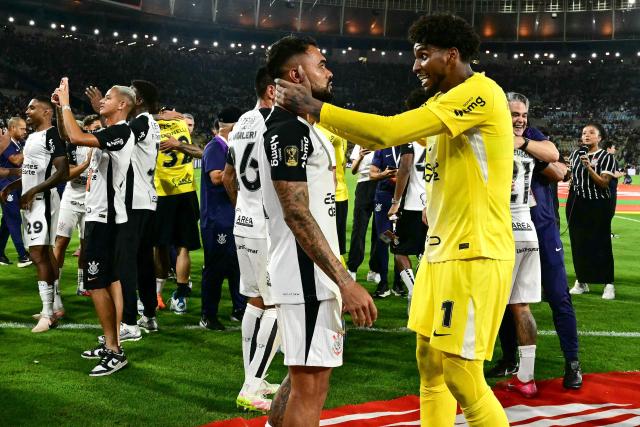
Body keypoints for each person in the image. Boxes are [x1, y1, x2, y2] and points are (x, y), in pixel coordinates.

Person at [275, 15, 514, 426]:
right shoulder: (443, 103)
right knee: (430, 365)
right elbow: (380, 139)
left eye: (424, 56)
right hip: (441, 254)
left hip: (475, 253)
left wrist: (316, 108)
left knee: (461, 372)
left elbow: (388, 132)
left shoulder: (480, 93)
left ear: (451, 55)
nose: (415, 66)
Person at [261, 35, 377, 427]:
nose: (329, 70)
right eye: (321, 63)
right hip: (306, 276)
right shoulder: (288, 130)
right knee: (311, 390)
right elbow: (296, 212)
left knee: (297, 383)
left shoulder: (294, 126)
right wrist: (344, 282)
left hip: (305, 273)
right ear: (296, 73)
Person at [55, 78, 134, 376]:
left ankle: (114, 351)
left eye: (109, 97)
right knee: (109, 279)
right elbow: (70, 134)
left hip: (106, 219)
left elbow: (75, 136)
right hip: (100, 216)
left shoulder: (121, 132)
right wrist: (60, 108)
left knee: (96, 282)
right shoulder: (108, 131)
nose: (104, 100)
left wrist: (66, 103)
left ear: (123, 104)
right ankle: (112, 344)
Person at [223, 66, 281, 412]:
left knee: (255, 299)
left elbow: (229, 176)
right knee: (275, 304)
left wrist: (241, 208)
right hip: (266, 226)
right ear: (272, 91)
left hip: (243, 222)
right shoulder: (276, 123)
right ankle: (252, 386)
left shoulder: (242, 122)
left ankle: (253, 377)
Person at [1, 97, 69, 333]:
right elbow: (34, 171)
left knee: (38, 254)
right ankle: (54, 305)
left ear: (46, 111)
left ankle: (48, 314)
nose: (26, 111)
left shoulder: (52, 136)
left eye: (32, 107)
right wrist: (15, 186)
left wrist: (33, 191)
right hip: (32, 201)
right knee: (44, 253)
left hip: (44, 201)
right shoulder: (32, 137)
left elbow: (62, 171)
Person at [116, 79, 161, 340]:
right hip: (147, 200)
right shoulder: (151, 124)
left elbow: (119, 141)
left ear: (139, 100)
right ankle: (150, 316)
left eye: (131, 94)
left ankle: (130, 323)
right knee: (144, 260)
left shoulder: (140, 123)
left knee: (126, 260)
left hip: (134, 201)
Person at [199, 106, 246, 327]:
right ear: (234, 127)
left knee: (237, 267)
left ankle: (240, 308)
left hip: (231, 218)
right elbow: (217, 177)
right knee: (215, 269)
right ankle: (208, 315)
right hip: (217, 219)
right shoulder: (215, 147)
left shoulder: (228, 147)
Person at [154, 109, 203, 313]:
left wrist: (156, 117)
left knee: (159, 246)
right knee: (183, 247)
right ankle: (180, 297)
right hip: (186, 191)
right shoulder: (183, 128)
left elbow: (132, 118)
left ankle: (156, 294)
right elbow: (201, 152)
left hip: (163, 192)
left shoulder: (153, 126)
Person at [387, 88, 431, 305]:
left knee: (398, 249)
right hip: (438, 205)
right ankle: (429, 289)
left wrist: (395, 202)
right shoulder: (442, 132)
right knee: (429, 250)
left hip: (414, 204)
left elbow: (405, 167)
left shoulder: (412, 134)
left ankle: (415, 290)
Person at [52, 114, 100, 300]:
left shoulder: (101, 144)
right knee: (61, 243)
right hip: (71, 199)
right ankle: (55, 286)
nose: (98, 131)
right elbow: (67, 175)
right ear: (86, 127)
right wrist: (86, 164)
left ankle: (82, 284)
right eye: (95, 128)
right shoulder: (73, 145)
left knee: (86, 246)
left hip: (92, 201)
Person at [567, 123, 617, 299]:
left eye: (591, 133)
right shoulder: (575, 154)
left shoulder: (606, 157)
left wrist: (588, 168)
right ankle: (582, 281)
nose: (586, 135)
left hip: (598, 205)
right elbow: (570, 176)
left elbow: (604, 183)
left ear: (599, 137)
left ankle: (608, 283)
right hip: (576, 203)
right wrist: (566, 173)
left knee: (601, 244)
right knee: (578, 243)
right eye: (583, 133)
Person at [346, 144, 381, 283]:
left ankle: (375, 269)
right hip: (363, 185)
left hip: (380, 185)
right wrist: (360, 156)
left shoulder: (385, 141)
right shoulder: (360, 142)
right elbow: (353, 170)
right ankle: (353, 268)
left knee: (379, 231)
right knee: (359, 228)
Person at [369, 147, 400, 297]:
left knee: (399, 239)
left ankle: (398, 282)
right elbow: (371, 174)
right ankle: (384, 282)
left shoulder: (409, 146)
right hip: (384, 197)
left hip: (403, 198)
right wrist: (384, 174)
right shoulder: (382, 148)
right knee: (384, 238)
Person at [0, 117, 31, 267]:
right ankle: (22, 255)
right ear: (12, 128)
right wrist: (29, 148)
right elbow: (17, 160)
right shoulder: (5, 142)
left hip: (15, 184)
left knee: (7, 221)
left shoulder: (20, 143)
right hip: (4, 185)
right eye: (22, 128)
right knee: (13, 218)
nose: (25, 131)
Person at [315, 124, 349, 260]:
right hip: (341, 192)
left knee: (324, 242)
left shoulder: (317, 131)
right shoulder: (341, 131)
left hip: (326, 195)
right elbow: (343, 164)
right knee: (337, 244)